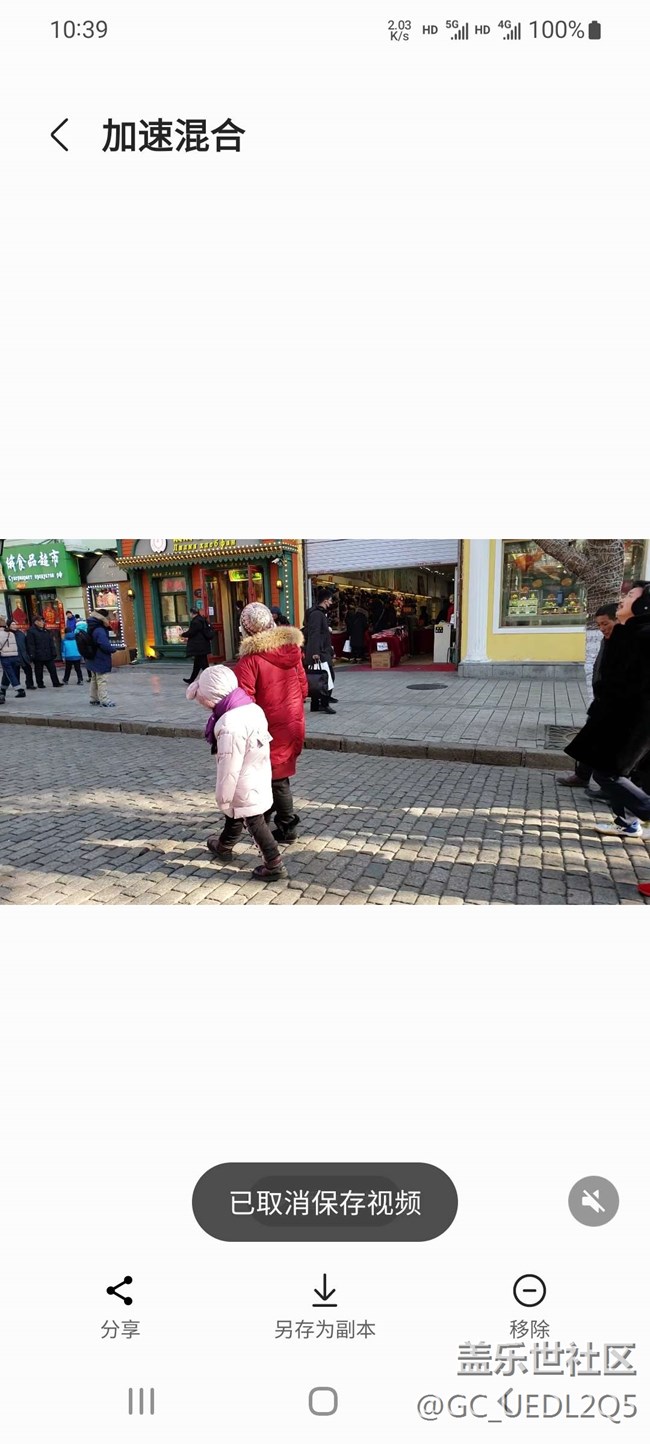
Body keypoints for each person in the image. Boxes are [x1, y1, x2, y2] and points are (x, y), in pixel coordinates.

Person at [564, 581, 650, 838]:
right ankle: (627, 822)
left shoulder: (642, 635)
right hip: (617, 715)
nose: (623, 598)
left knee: (608, 773)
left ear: (643, 604)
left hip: (634, 720)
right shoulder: (626, 632)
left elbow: (628, 684)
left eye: (631, 595)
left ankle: (640, 814)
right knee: (618, 772)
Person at [187, 664, 287, 881]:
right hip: (258, 771)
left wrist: (222, 796)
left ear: (212, 695)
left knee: (253, 820)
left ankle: (274, 863)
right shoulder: (251, 708)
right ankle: (224, 846)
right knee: (234, 813)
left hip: (243, 780)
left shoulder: (229, 723)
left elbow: (229, 766)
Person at [234, 602, 308, 843]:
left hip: (266, 727)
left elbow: (243, 701)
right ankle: (272, 821)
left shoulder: (250, 660)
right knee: (278, 773)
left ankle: (285, 826)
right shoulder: (291, 651)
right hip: (292, 722)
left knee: (274, 778)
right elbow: (303, 688)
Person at [558, 604, 619, 789]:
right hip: (603, 699)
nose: (602, 628)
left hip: (617, 702)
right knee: (591, 738)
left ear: (617, 620)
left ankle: (610, 786)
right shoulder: (607, 640)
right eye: (599, 625)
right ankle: (582, 775)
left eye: (605, 624)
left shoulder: (626, 641)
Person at [303, 587, 338, 713]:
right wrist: (315, 652)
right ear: (325, 600)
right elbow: (315, 633)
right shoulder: (318, 614)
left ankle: (315, 704)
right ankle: (324, 703)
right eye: (330, 600)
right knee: (326, 677)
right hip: (320, 652)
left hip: (320, 650)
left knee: (317, 677)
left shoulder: (315, 613)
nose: (331, 603)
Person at [86, 608, 117, 707]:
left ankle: (94, 698)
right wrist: (113, 649)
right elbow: (104, 644)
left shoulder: (92, 627)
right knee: (102, 680)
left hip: (92, 657)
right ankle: (104, 700)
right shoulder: (100, 630)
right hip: (100, 657)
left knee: (94, 679)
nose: (109, 620)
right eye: (108, 618)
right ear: (104, 618)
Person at [26, 615, 63, 688]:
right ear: (36, 622)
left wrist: (53, 652)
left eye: (43, 621)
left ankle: (56, 682)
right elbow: (30, 644)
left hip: (48, 654)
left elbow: (51, 643)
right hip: (38, 655)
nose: (43, 622)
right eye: (41, 621)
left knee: (53, 669)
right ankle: (40, 683)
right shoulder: (31, 631)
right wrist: (32, 655)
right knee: (39, 671)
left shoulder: (46, 631)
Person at [181, 606, 214, 684]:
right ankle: (191, 679)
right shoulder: (202, 619)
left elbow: (192, 632)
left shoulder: (196, 621)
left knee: (204, 665)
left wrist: (182, 634)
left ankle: (211, 680)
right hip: (203, 645)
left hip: (199, 646)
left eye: (190, 613)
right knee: (197, 664)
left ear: (192, 613)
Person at [0, 622, 27, 701]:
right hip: (14, 656)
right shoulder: (11, 633)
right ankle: (2, 690)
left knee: (10, 674)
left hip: (5, 656)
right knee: (6, 674)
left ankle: (20, 690)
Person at [8, 619, 34, 690]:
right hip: (14, 655)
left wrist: (28, 654)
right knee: (16, 672)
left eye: (15, 624)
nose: (14, 626)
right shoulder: (7, 634)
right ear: (9, 626)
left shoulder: (20, 633)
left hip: (23, 655)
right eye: (12, 624)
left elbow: (26, 644)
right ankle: (17, 686)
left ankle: (29, 684)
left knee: (28, 670)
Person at [346, 596, 369, 662]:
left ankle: (354, 657)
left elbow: (349, 624)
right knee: (359, 646)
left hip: (353, 634)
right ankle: (359, 657)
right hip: (360, 634)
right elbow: (365, 626)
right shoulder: (363, 617)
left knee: (354, 646)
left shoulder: (353, 616)